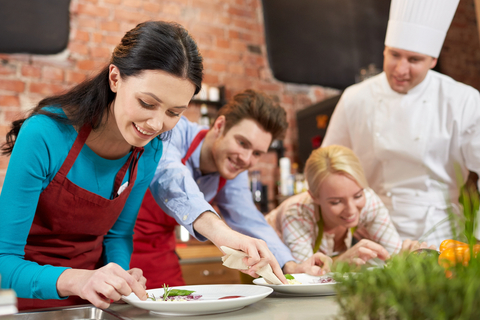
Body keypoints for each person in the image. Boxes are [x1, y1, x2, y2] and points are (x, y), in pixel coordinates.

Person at [131, 89, 332, 289]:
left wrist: (290, 266)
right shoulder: (172, 131)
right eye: (242, 143)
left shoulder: (233, 170)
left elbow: (249, 221)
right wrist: (221, 233)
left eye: (256, 153)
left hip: (161, 254)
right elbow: (170, 178)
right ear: (220, 125)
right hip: (115, 248)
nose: (246, 159)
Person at [321, 0, 480, 247]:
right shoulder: (355, 98)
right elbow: (326, 167)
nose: (400, 68)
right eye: (394, 54)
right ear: (384, 49)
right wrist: (344, 222)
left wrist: (478, 237)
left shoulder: (463, 100)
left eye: (414, 59)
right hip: (373, 233)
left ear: (433, 60)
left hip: (443, 235)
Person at [266, 145, 404, 266]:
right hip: (261, 271)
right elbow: (303, 276)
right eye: (336, 202)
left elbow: (395, 255)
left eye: (357, 196)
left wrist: (410, 253)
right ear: (314, 197)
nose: (351, 210)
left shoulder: (369, 201)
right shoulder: (297, 213)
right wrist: (341, 261)